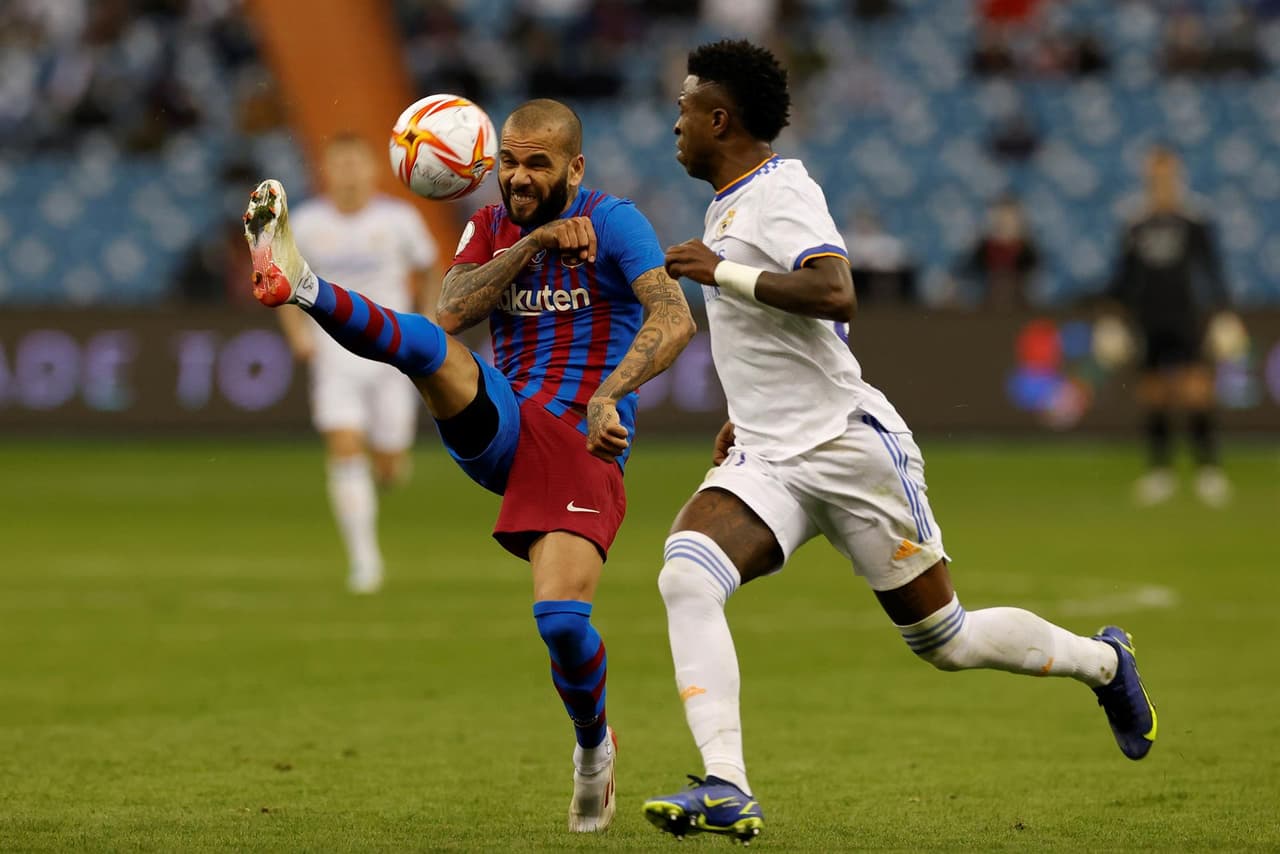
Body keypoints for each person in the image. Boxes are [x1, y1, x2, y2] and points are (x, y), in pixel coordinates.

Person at [642, 40, 1157, 844]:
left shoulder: (783, 190)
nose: (673, 120)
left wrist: (721, 274)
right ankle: (727, 784)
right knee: (686, 576)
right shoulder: (729, 207)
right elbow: (789, 335)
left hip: (850, 450)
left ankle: (1103, 663)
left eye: (684, 106)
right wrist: (747, 407)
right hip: (770, 457)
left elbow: (834, 290)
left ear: (720, 117)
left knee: (946, 641)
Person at [242, 98, 696, 832]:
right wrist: (534, 242)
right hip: (505, 420)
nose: (517, 176)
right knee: (427, 345)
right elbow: (452, 307)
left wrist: (611, 394)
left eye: (536, 164)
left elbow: (674, 317)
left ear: (574, 167)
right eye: (508, 161)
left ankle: (592, 748)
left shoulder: (617, 223)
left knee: (560, 623)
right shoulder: (488, 226)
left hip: (582, 444)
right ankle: (301, 284)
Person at [275, 133, 443, 594]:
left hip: (392, 355)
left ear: (372, 170)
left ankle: (385, 468)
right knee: (345, 447)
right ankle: (365, 561)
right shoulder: (307, 223)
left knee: (387, 465)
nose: (348, 173)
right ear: (325, 170)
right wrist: (298, 335)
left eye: (356, 163)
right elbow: (284, 284)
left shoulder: (399, 219)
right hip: (335, 357)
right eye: (339, 164)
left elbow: (430, 267)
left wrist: (427, 318)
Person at [1103, 145, 1243, 507]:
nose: (1161, 180)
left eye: (1167, 173)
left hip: (1186, 315)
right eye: (1155, 173)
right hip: (1149, 316)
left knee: (1196, 389)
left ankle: (1208, 469)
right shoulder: (1136, 221)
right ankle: (1160, 471)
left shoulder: (1194, 220)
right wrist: (1113, 318)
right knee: (1154, 393)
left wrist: (1224, 314)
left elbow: (1211, 269)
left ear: (1177, 176)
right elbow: (1124, 275)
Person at [958, 193, 1040, 310]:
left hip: (1019, 302)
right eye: (1000, 218)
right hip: (988, 301)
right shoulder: (984, 249)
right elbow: (968, 270)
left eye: (1009, 218)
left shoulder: (1026, 251)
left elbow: (1031, 268)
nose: (1005, 223)